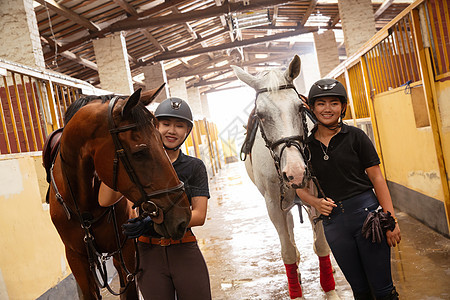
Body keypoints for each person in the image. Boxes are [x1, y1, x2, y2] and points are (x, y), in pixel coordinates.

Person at [296, 79, 401, 300]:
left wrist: (390, 219)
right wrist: (315, 202)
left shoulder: (356, 137)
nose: (327, 109)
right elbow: (299, 188)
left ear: (343, 107)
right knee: (360, 292)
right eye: (321, 103)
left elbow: (377, 178)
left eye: (334, 103)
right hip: (334, 224)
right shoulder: (305, 147)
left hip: (368, 218)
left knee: (383, 291)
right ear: (312, 108)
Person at [99, 97, 211, 300]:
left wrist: (154, 220)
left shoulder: (194, 167)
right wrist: (116, 156)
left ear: (187, 131)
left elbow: (200, 215)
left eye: (179, 125)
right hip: (148, 253)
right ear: (154, 126)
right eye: (166, 124)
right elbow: (105, 200)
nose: (172, 130)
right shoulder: (138, 166)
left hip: (183, 248)